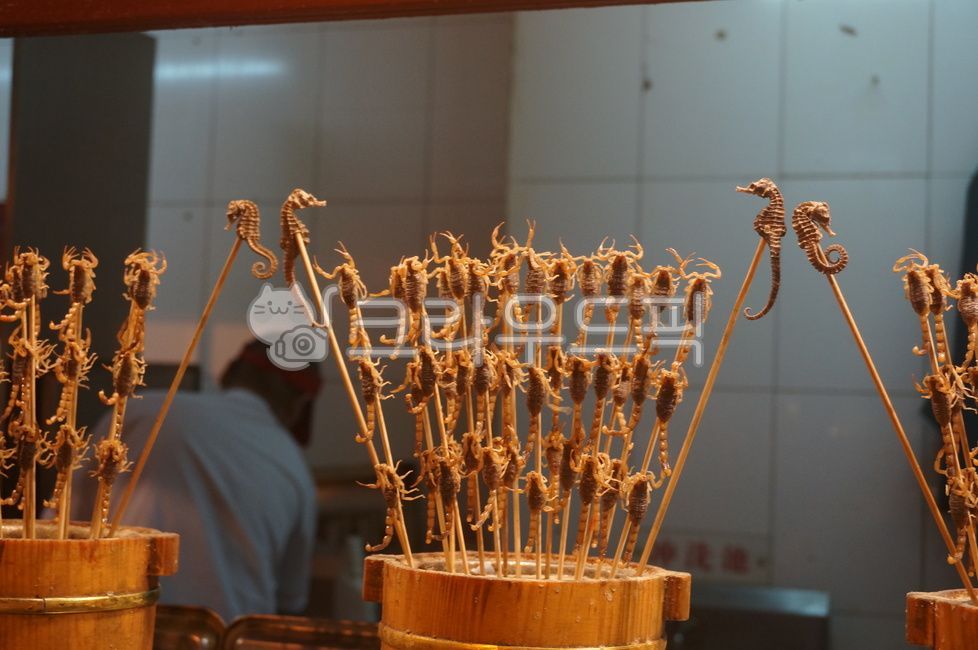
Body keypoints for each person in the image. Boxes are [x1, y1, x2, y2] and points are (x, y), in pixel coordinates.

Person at [72, 339, 321, 622]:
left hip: (114, 621)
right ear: (299, 403)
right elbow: (290, 601)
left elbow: (61, 527)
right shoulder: (294, 467)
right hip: (226, 635)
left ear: (229, 373)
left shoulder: (143, 411)